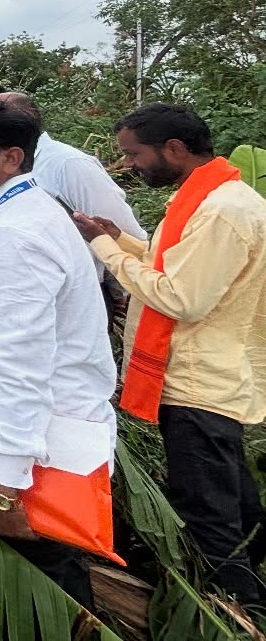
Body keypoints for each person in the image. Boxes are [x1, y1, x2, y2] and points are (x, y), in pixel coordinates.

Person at [74, 104, 266, 608]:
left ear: (174, 150)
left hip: (201, 383)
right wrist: (121, 240)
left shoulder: (222, 211)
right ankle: (248, 577)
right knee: (232, 497)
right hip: (203, 378)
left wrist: (104, 249)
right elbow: (172, 263)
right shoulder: (203, 199)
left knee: (208, 510)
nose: (128, 165)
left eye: (133, 154)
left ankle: (236, 606)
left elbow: (182, 297)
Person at [0, 98, 115, 608]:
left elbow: (18, 366)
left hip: (27, 453)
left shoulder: (14, 235)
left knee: (42, 582)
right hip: (1, 433)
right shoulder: (6, 212)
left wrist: (1, 489)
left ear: (10, 158)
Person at [0, 92, 146, 319]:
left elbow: (119, 232)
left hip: (76, 298)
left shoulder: (68, 164)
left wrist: (118, 292)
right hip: (21, 296)